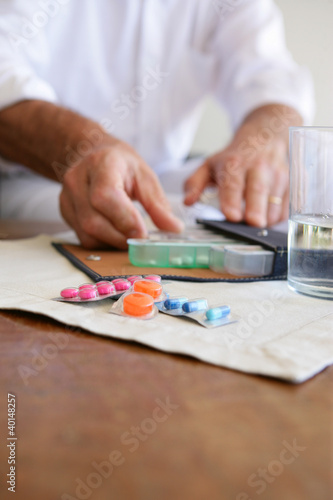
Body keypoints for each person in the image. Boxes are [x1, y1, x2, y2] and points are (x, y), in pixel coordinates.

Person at [0, 0, 314, 249]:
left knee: (299, 209)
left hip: (165, 179)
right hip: (35, 182)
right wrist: (85, 148)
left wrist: (259, 143)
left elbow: (274, 80)